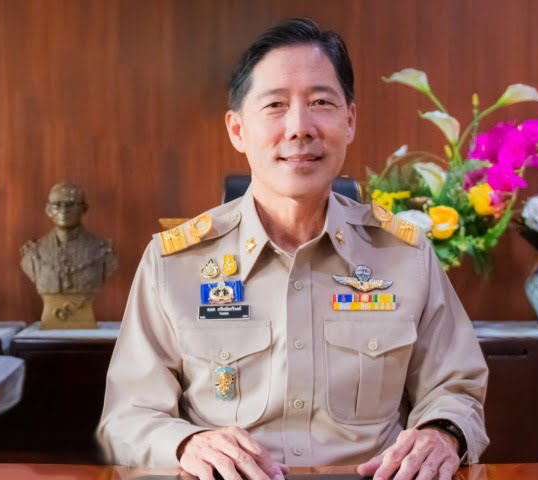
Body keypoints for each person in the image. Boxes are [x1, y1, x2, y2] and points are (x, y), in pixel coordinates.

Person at [98, 18, 488, 480]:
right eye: (275, 105)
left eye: (321, 102)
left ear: (350, 121)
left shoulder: (405, 256)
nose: (300, 127)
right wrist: (187, 443)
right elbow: (127, 418)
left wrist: (441, 433)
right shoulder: (174, 264)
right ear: (237, 130)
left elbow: (455, 388)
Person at [20, 183, 117, 295]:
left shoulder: (102, 252)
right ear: (48, 209)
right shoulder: (33, 252)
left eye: (70, 204)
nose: (63, 210)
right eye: (57, 205)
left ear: (84, 208)